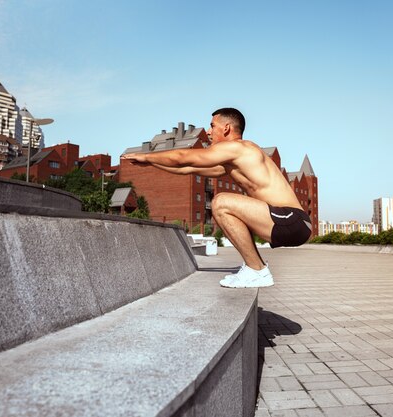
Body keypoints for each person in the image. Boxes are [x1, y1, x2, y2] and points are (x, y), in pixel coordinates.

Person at [122, 108, 312, 288]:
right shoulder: (235, 159)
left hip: (291, 220)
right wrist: (152, 165)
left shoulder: (238, 148)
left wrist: (147, 156)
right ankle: (255, 268)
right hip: (289, 222)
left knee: (220, 203)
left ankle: (257, 270)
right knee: (223, 204)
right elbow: (188, 168)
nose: (208, 131)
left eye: (212, 126)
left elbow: (183, 156)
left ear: (227, 128)